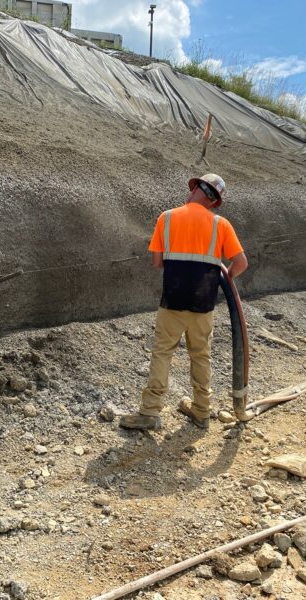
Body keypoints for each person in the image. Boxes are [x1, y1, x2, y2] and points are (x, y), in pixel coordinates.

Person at [120, 173, 248, 431]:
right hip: (203, 306)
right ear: (214, 201)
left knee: (162, 354)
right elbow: (241, 263)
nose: (189, 191)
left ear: (199, 190)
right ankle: (201, 411)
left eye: (193, 188)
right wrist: (222, 279)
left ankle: (149, 413)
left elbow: (157, 263)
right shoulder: (220, 224)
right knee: (201, 356)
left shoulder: (166, 218)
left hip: (172, 303)